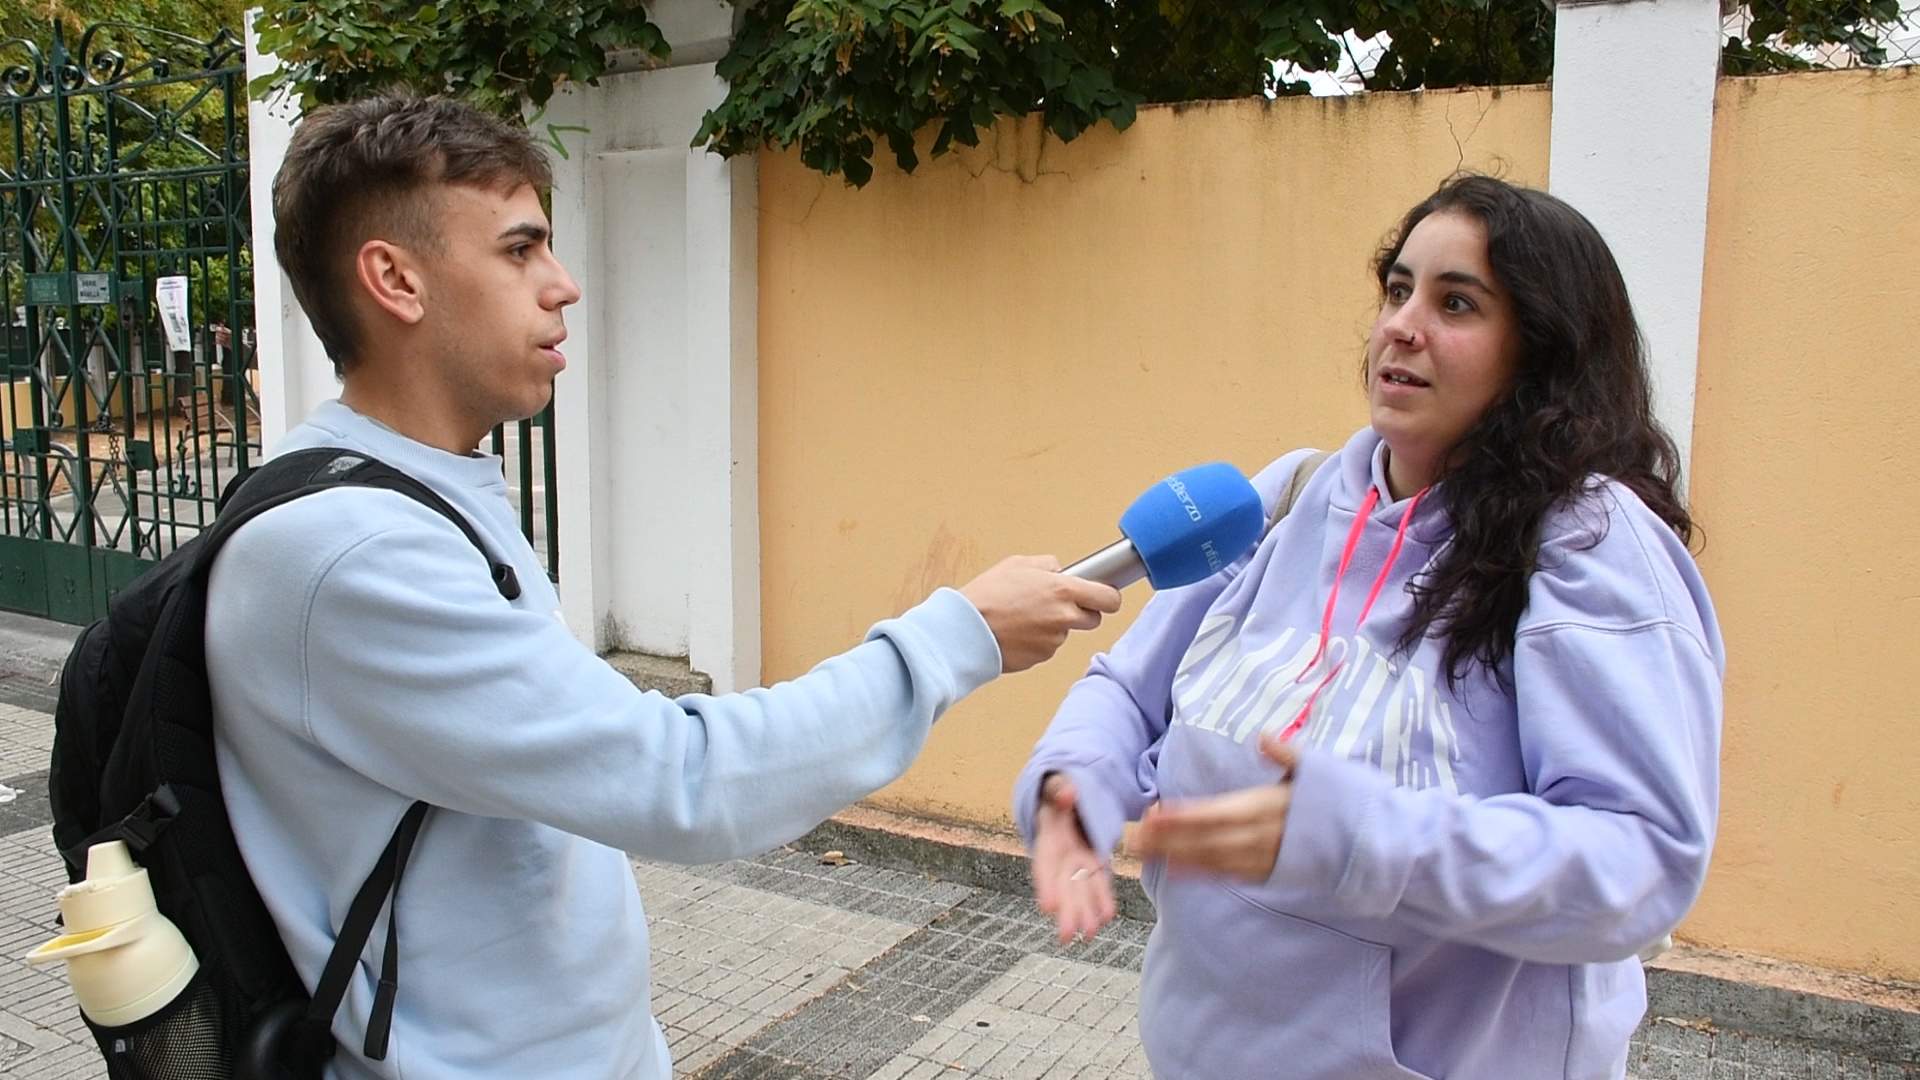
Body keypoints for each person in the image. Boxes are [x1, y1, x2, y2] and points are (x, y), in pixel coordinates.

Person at [204, 94, 1122, 1079]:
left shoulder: (421, 487)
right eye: (520, 251)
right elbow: (681, 780)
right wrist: (958, 638)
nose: (563, 286)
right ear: (395, 279)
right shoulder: (352, 554)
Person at [1013, 174, 1723, 1080]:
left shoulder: (1589, 546)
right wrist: (1074, 789)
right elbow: (1130, 690)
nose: (1402, 325)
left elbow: (1638, 860)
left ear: (1541, 353)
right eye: (1398, 289)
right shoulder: (1288, 496)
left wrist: (1357, 841)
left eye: (1455, 302)